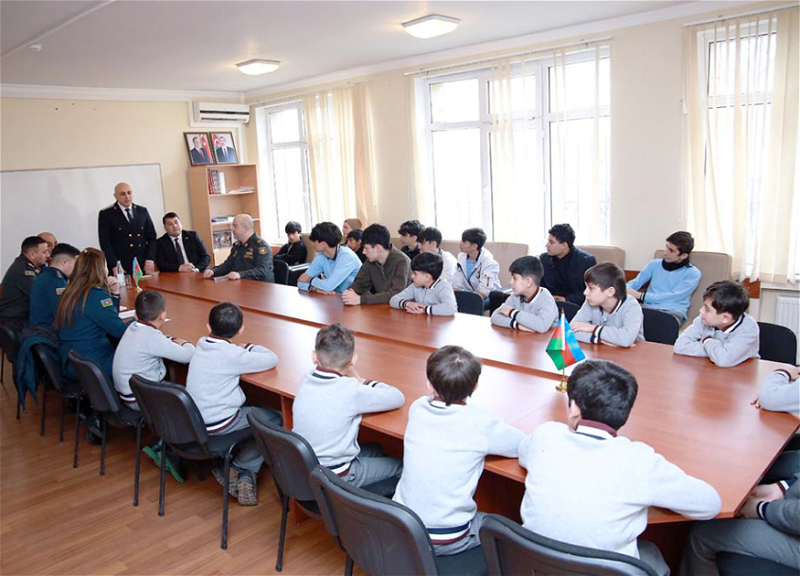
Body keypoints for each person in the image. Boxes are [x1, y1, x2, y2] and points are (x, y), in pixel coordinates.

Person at [518, 360, 722, 576]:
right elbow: (710, 504)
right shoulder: (639, 460)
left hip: (533, 567)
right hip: (602, 571)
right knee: (652, 553)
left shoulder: (546, 435)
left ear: (574, 408)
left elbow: (523, 453)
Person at [394, 345, 524, 556]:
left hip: (404, 527)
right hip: (447, 538)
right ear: (475, 386)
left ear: (429, 384)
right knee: (509, 525)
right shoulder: (479, 422)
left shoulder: (417, 408)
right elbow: (520, 445)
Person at [185, 302, 281, 506]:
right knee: (274, 420)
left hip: (194, 420)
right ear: (241, 330)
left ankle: (242, 471)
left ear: (208, 327)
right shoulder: (232, 355)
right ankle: (241, 466)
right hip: (219, 423)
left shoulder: (201, 344)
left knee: (255, 413)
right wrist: (249, 346)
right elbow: (272, 359)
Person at [293, 324, 405, 491]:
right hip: (337, 476)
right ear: (354, 360)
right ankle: (362, 504)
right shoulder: (351, 390)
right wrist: (362, 381)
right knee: (400, 466)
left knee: (376, 448)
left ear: (314, 356)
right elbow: (397, 397)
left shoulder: (306, 379)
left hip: (306, 466)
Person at [111, 290, 195, 482]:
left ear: (136, 314)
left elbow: (156, 343)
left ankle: (160, 443)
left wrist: (168, 341)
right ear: (163, 315)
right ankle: (170, 450)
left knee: (176, 389)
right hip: (140, 398)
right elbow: (188, 356)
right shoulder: (151, 337)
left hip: (128, 392)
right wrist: (185, 343)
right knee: (185, 401)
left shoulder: (133, 328)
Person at [53, 248, 129, 381]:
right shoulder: (96, 296)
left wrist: (115, 294)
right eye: (105, 266)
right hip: (94, 364)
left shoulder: (70, 292)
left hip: (73, 361)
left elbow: (108, 318)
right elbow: (119, 330)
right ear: (101, 269)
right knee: (140, 358)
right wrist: (140, 321)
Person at [673, 281, 759, 367]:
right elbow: (680, 346)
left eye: (707, 309)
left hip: (741, 371)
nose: (701, 311)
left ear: (725, 318)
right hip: (708, 368)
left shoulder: (748, 329)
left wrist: (707, 340)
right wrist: (717, 352)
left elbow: (724, 360)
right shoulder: (704, 318)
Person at [626, 231, 701, 323]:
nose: (665, 253)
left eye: (671, 250)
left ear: (683, 255)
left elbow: (673, 296)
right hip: (647, 308)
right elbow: (635, 282)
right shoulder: (654, 264)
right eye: (666, 247)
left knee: (656, 324)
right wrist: (625, 290)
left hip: (672, 312)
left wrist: (641, 296)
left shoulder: (693, 273)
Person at [571, 262, 644, 347]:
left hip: (633, 353)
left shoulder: (631, 306)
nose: (585, 292)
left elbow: (626, 339)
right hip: (602, 351)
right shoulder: (590, 301)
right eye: (586, 287)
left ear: (610, 292)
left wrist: (591, 328)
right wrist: (597, 340)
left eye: (591, 288)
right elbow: (571, 330)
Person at [342, 224, 411, 306]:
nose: (363, 252)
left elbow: (396, 294)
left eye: (366, 248)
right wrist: (348, 294)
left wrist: (361, 299)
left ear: (378, 248)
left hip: (403, 309)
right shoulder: (371, 260)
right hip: (381, 307)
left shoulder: (401, 261)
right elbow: (359, 285)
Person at [97, 182, 157, 275]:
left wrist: (150, 258)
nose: (127, 196)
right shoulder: (106, 214)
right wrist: (114, 264)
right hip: (121, 265)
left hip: (142, 264)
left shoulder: (142, 211)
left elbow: (152, 237)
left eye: (129, 193)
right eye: (122, 194)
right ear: (115, 196)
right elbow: (105, 243)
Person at [491, 256, 558, 332]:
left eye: (515, 278)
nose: (511, 282)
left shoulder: (546, 299)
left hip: (546, 339)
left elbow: (541, 325)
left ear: (528, 282)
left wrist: (512, 312)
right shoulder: (515, 296)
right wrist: (516, 324)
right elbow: (495, 316)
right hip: (522, 337)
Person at [202, 214, 274, 282]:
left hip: (261, 286)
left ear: (246, 229)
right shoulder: (237, 246)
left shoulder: (260, 246)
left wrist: (240, 275)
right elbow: (227, 266)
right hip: (242, 285)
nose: (232, 229)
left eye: (235, 226)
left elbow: (262, 270)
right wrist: (213, 271)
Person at [539, 223, 597, 306]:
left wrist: (566, 299)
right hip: (550, 304)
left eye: (551, 242)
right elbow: (540, 287)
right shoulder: (544, 259)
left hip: (577, 306)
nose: (547, 245)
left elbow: (593, 291)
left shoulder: (586, 261)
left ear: (564, 245)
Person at [0, 236, 48, 332]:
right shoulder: (23, 271)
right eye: (44, 252)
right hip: (15, 322)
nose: (47, 255)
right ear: (32, 254)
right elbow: (40, 295)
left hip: (22, 319)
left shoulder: (32, 267)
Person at [297, 222, 361, 293]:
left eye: (314, 241)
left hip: (355, 297)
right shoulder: (321, 256)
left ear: (323, 244)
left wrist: (310, 279)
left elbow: (328, 286)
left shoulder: (346, 256)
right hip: (335, 297)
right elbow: (300, 282)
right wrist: (313, 288)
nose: (312, 244)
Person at [29, 243, 80, 328]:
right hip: (49, 331)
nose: (77, 268)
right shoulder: (55, 281)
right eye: (76, 264)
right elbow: (64, 313)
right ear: (65, 262)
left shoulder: (45, 275)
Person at [390, 252, 457, 316]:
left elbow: (450, 308)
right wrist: (407, 304)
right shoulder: (415, 286)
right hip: (423, 321)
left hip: (442, 323)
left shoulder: (444, 287)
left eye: (415, 273)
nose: (412, 276)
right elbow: (393, 300)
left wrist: (425, 310)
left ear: (427, 277)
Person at [452, 227, 501, 308]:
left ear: (474, 246)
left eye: (464, 242)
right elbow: (457, 281)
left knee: (468, 305)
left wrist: (468, 299)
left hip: (488, 296)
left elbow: (485, 291)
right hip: (469, 294)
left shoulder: (489, 262)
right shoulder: (461, 257)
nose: (460, 243)